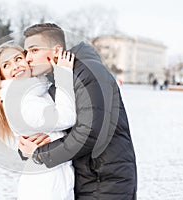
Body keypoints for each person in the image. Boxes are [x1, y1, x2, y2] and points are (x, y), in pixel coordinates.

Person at [18, 23, 137, 199]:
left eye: (34, 50)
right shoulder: (60, 80)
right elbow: (54, 126)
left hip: (105, 182)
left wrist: (40, 154)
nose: (27, 58)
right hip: (86, 179)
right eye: (26, 52)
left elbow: (89, 133)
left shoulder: (88, 72)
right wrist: (26, 146)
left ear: (57, 51)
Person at [0, 43, 76, 200]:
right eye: (6, 65)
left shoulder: (35, 91)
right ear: (1, 75)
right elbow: (66, 117)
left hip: (51, 179)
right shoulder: (19, 100)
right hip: (45, 186)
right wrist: (64, 73)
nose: (15, 66)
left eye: (18, 58)